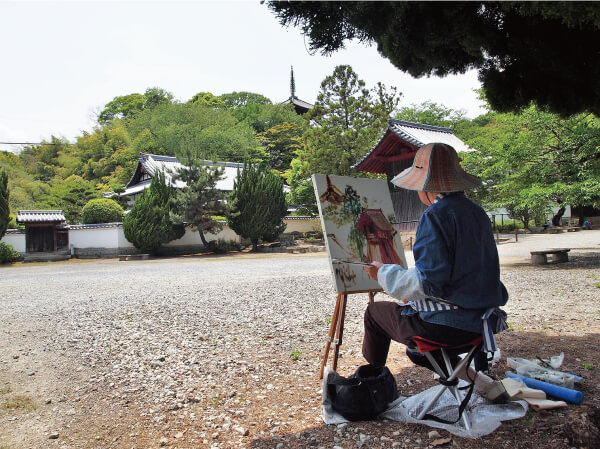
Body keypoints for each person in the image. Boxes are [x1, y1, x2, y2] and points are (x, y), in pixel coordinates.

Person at [362, 142, 509, 401]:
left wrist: (384, 273)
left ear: (426, 186)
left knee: (375, 313)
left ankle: (372, 382)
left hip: (448, 327)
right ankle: (481, 381)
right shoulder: (477, 213)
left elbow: (429, 281)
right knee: (416, 351)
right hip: (480, 323)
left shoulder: (436, 215)